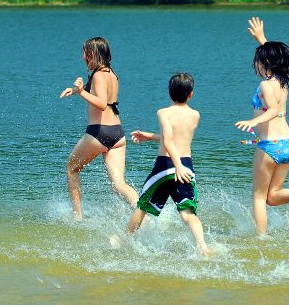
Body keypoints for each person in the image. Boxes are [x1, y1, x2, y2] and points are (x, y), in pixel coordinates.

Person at [235, 17, 289, 235]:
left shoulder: (265, 84)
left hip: (269, 146)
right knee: (272, 197)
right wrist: (261, 39)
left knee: (258, 196)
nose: (255, 63)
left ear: (264, 63)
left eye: (257, 60)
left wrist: (253, 121)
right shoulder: (282, 81)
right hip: (288, 145)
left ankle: (261, 239)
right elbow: (274, 59)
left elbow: (272, 110)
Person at [128, 73, 210, 255]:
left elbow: (168, 140)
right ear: (191, 95)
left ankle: (126, 239)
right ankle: (202, 245)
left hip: (165, 165)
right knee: (188, 213)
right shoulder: (195, 115)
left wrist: (176, 164)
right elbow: (175, 137)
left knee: (142, 207)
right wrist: (150, 136)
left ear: (169, 92)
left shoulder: (163, 112)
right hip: (186, 165)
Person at [59, 37, 138, 220]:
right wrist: (76, 89)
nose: (83, 57)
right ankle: (142, 212)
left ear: (92, 54)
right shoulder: (111, 74)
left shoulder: (99, 75)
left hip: (99, 133)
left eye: (84, 53)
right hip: (117, 134)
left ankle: (77, 217)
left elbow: (102, 103)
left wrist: (81, 92)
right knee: (119, 184)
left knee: (71, 168)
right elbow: (103, 95)